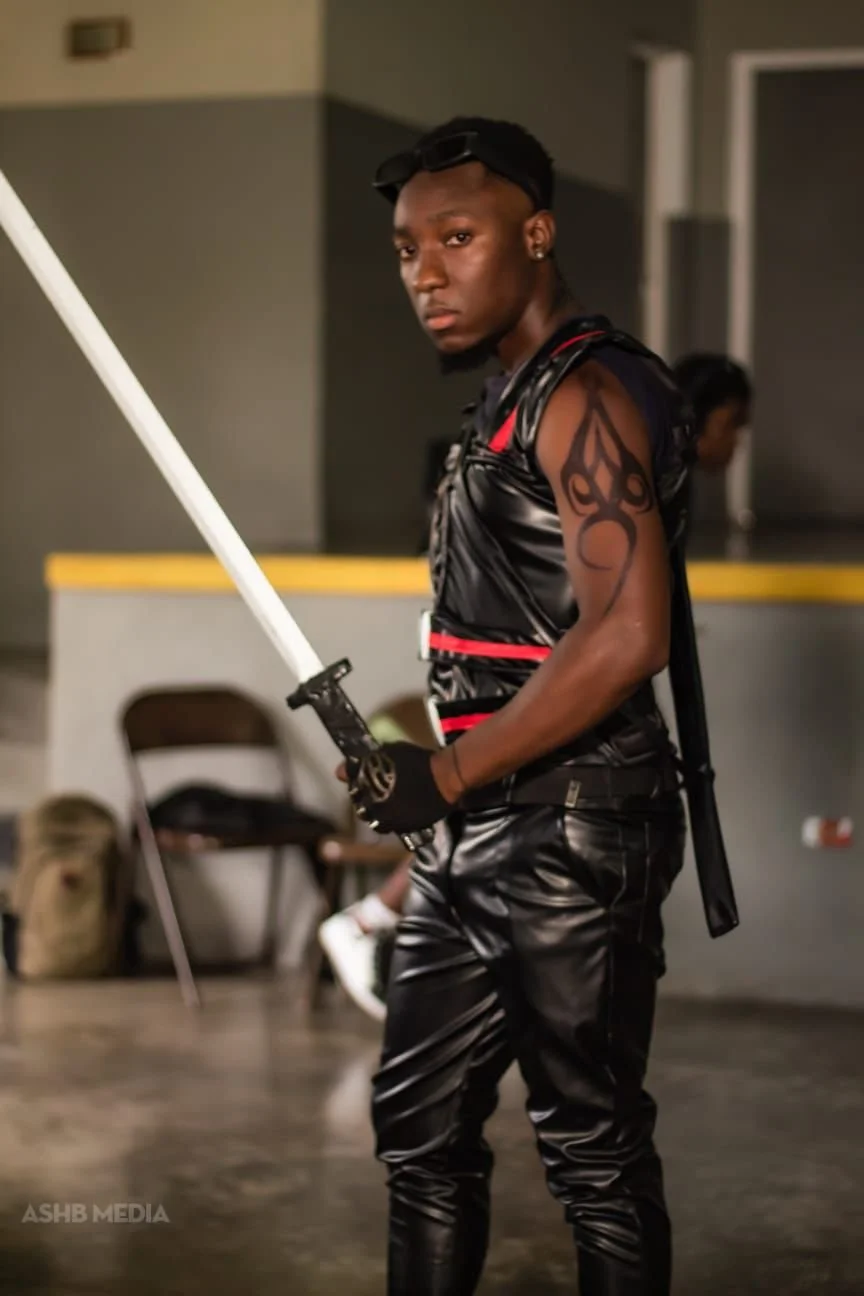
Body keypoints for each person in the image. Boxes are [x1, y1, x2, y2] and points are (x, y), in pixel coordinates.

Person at [329, 115, 704, 1296]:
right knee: (420, 1133)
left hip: (575, 826)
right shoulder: (509, 398)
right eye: (405, 249)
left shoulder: (583, 394)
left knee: (591, 1153)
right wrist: (435, 772)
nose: (426, 273)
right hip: (480, 817)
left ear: (535, 234)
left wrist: (441, 773)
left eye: (456, 238)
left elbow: (629, 632)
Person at [322, 349, 751, 1025]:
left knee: (487, 797)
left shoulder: (630, 464)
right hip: (521, 680)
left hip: (564, 687)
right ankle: (373, 916)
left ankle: (380, 917)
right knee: (485, 792)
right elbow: (603, 618)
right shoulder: (594, 441)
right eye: (733, 423)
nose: (735, 442)